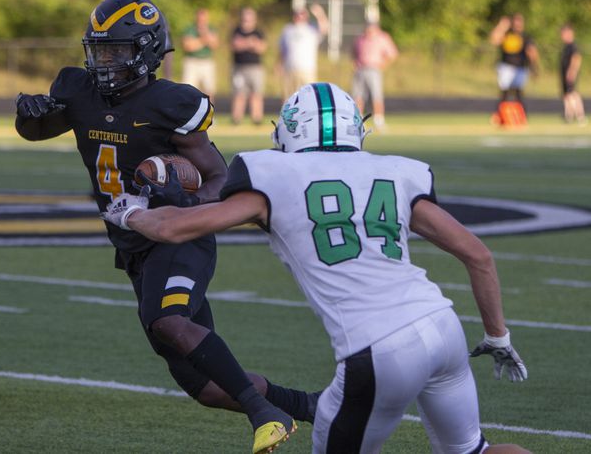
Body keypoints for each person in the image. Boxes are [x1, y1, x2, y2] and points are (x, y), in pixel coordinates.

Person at [103, 82, 530, 454]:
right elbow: (478, 255)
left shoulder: (276, 176)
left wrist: (130, 213)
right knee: (473, 451)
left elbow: (175, 230)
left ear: (288, 130)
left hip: (377, 348)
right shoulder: (395, 172)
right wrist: (498, 336)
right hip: (442, 328)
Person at [13, 0, 319, 453]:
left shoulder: (170, 103)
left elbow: (221, 178)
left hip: (179, 234)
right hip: (134, 245)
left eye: (116, 51)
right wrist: (29, 114)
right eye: (99, 51)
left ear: (147, 50)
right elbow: (37, 130)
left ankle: (264, 413)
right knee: (206, 387)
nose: (105, 62)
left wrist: (186, 199)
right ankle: (317, 407)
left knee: (167, 320)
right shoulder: (79, 91)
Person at [351, 22, 398, 130]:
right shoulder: (360, 38)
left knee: (376, 95)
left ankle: (379, 120)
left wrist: (382, 64)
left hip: (374, 69)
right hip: (360, 69)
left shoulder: (382, 38)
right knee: (358, 95)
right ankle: (359, 120)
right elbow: (353, 52)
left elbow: (392, 54)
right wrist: (355, 63)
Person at [277, 4, 328, 100]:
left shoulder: (311, 29)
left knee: (309, 97)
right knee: (289, 99)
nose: (299, 16)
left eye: (302, 14)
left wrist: (320, 14)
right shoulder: (287, 29)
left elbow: (324, 28)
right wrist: (279, 64)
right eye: (297, 14)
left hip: (307, 70)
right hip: (289, 69)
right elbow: (282, 49)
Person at [489, 14, 539, 108]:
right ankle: (501, 113)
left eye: (520, 22)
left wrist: (534, 66)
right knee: (505, 91)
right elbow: (494, 40)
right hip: (506, 67)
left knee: (518, 92)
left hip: (520, 67)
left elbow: (532, 51)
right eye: (516, 22)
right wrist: (501, 26)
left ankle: (520, 113)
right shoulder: (506, 34)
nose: (518, 25)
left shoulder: (525, 36)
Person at [230, 7, 267, 126]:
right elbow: (235, 45)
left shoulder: (259, 32)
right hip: (239, 68)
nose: (246, 21)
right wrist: (250, 42)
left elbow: (262, 48)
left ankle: (257, 119)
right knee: (239, 94)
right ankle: (236, 119)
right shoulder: (236, 30)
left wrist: (244, 43)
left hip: (255, 68)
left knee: (256, 94)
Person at [181, 8, 219, 100]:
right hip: (192, 62)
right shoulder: (190, 29)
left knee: (209, 90)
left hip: (206, 61)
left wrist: (198, 41)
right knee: (188, 90)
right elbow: (188, 46)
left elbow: (215, 45)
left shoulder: (211, 29)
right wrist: (204, 39)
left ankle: (210, 111)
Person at [560, 24, 586, 125]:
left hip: (570, 74)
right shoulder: (566, 47)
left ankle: (580, 116)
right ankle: (569, 116)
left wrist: (572, 71)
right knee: (567, 95)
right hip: (565, 74)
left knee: (573, 94)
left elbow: (576, 58)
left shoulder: (573, 46)